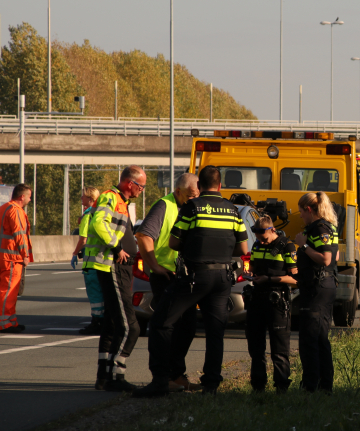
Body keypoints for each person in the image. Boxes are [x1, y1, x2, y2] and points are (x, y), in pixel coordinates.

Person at [133, 165, 248, 398]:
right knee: (214, 331)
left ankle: (161, 381)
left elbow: (175, 243)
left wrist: (195, 244)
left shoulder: (192, 208)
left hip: (193, 276)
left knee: (160, 323)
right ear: (220, 185)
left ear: (201, 186)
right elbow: (243, 247)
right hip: (223, 277)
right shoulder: (233, 210)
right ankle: (211, 385)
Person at [81, 165, 144, 392]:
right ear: (129, 183)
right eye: (141, 186)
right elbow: (99, 223)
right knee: (131, 327)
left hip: (116, 266)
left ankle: (103, 377)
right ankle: (117, 377)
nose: (142, 190)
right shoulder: (110, 197)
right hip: (111, 265)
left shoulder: (121, 202)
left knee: (111, 323)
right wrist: (117, 247)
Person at [135, 172, 199, 392]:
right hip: (167, 277)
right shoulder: (165, 205)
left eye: (196, 196)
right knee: (168, 326)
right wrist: (155, 267)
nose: (194, 200)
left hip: (184, 276)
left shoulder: (189, 207)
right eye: (191, 196)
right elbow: (144, 236)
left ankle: (176, 373)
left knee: (188, 326)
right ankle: (166, 377)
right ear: (179, 191)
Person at [244, 215, 297, 392]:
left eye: (264, 238)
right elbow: (251, 268)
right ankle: (258, 386)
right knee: (256, 347)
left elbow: (295, 278)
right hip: (257, 299)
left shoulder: (287, 246)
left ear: (272, 230)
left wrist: (269, 279)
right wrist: (249, 276)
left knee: (279, 349)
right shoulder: (257, 244)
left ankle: (281, 387)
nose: (262, 242)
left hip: (277, 300)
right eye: (258, 238)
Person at [294, 191, 338, 392]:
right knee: (318, 337)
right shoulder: (327, 226)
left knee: (311, 339)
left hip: (317, 289)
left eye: (301, 211)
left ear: (309, 209)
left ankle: (314, 385)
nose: (300, 215)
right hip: (321, 286)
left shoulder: (319, 228)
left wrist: (303, 247)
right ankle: (322, 385)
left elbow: (326, 259)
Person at [0, 184, 33, 333]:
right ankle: (4, 323)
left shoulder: (2, 208)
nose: (30, 199)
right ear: (22, 197)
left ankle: (11, 321)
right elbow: (19, 235)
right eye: (29, 196)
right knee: (9, 290)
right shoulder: (16, 211)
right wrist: (25, 255)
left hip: (1, 255)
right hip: (11, 256)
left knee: (7, 290)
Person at [71, 187, 103, 335]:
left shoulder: (88, 215)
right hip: (104, 261)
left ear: (90, 199)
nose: (81, 199)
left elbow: (83, 239)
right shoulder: (103, 213)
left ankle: (97, 322)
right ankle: (104, 321)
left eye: (83, 197)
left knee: (95, 295)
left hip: (91, 262)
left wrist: (75, 253)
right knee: (103, 294)